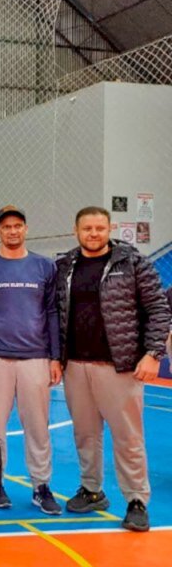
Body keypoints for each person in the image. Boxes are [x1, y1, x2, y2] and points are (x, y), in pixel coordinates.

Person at [56, 206, 171, 532]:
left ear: (110, 229)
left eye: (99, 228)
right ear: (76, 230)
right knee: (85, 434)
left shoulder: (132, 262)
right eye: (87, 228)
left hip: (118, 367)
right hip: (76, 365)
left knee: (128, 437)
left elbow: (158, 309)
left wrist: (152, 354)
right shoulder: (65, 266)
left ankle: (137, 501)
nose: (93, 234)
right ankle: (92, 490)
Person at [0, 206, 62, 514]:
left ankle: (41, 485)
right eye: (6, 226)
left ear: (25, 229)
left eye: (17, 225)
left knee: (37, 425)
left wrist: (55, 357)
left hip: (35, 357)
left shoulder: (44, 267)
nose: (12, 231)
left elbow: (51, 312)